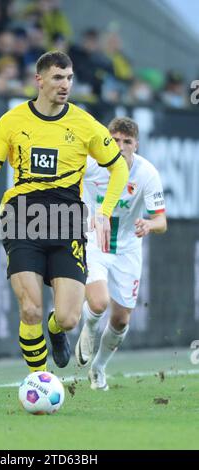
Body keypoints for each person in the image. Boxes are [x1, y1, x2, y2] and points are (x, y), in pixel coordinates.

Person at [0, 51, 129, 373]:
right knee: (30, 310)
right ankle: (38, 380)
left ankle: (56, 331)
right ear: (38, 80)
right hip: (22, 218)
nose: (65, 84)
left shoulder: (85, 125)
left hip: (67, 220)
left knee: (69, 317)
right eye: (58, 77)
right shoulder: (11, 122)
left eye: (69, 78)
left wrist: (104, 212)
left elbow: (119, 168)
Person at [75, 117, 167, 390]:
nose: (121, 146)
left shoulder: (147, 173)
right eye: (115, 140)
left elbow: (162, 222)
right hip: (94, 240)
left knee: (121, 318)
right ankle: (89, 328)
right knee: (99, 302)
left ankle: (99, 368)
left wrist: (149, 224)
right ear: (107, 141)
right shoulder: (91, 165)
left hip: (127, 248)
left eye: (127, 141)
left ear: (136, 145)